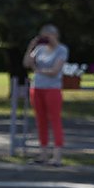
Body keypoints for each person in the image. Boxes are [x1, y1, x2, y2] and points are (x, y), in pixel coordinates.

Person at [23, 24, 68, 167]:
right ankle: (43, 154)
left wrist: (38, 70)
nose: (46, 39)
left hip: (52, 89)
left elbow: (55, 71)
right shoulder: (39, 49)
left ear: (55, 35)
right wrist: (31, 47)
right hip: (37, 88)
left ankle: (57, 156)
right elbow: (26, 63)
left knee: (54, 120)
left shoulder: (61, 50)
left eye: (48, 36)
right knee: (40, 121)